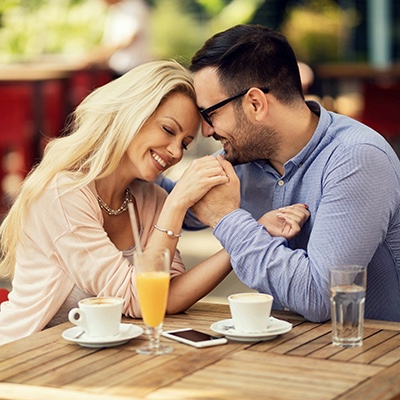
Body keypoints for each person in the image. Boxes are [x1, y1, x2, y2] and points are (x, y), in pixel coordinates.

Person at [0, 60, 308, 345]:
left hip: (93, 358)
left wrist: (247, 238)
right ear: (132, 114)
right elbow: (139, 301)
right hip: (24, 353)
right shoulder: (64, 194)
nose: (175, 152)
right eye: (168, 130)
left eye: (185, 143)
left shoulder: (149, 198)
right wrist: (177, 205)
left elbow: (164, 298)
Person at [159, 24, 400, 323]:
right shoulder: (241, 159)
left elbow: (319, 298)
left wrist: (227, 219)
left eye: (210, 114)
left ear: (256, 104)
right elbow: (166, 205)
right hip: (276, 348)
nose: (206, 131)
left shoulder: (356, 158)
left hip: (372, 351)